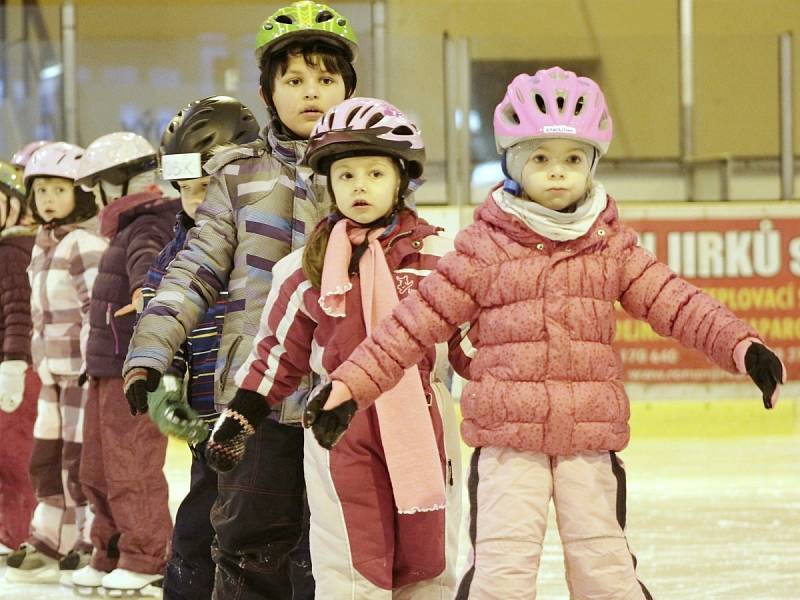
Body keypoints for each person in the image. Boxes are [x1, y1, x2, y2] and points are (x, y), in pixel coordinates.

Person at [308, 67, 788, 600]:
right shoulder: (481, 250)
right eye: (540, 158)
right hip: (508, 445)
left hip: (589, 441)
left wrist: (743, 348)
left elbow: (677, 303)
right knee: (502, 577)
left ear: (592, 165)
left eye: (573, 159)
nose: (557, 173)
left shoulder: (611, 248)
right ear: (513, 162)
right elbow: (411, 325)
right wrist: (349, 386)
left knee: (604, 574)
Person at [122, 2, 358, 597]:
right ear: (268, 91)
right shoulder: (239, 177)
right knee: (249, 549)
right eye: (295, 80)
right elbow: (193, 268)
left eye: (327, 79)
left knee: (338, 556)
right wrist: (150, 352)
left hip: (346, 401)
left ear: (349, 88)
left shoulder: (368, 172)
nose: (312, 92)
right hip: (256, 403)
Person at [205, 97, 469, 598]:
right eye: (346, 176)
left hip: (426, 426)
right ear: (328, 185)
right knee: (351, 566)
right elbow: (276, 356)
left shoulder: (439, 258)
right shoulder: (303, 271)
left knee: (428, 562)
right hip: (338, 433)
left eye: (374, 173)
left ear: (401, 181)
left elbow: (468, 343)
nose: (360, 186)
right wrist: (240, 416)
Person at [144, 95, 260, 600]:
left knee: (255, 538)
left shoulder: (265, 248)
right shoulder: (176, 254)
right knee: (195, 533)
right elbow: (161, 316)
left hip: (266, 422)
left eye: (208, 187)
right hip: (207, 425)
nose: (196, 202)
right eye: (186, 190)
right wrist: (167, 385)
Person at [69, 131, 179, 597]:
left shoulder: (149, 223)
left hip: (131, 369)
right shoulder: (127, 224)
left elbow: (149, 271)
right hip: (104, 366)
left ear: (116, 182)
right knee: (95, 468)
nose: (94, 198)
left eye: (96, 187)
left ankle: (148, 556)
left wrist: (145, 294)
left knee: (131, 466)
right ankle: (109, 549)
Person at [5, 142, 106, 584]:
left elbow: (94, 310)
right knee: (45, 457)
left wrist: (89, 359)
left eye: (58, 190)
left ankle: (87, 540)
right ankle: (50, 537)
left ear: (80, 194)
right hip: (50, 374)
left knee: (79, 460)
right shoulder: (41, 247)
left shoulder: (85, 244)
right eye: (41, 189)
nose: (47, 198)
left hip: (81, 372)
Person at [0, 160, 41, 561]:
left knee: (14, 458)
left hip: (17, 369)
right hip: (8, 367)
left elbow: (19, 311)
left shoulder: (13, 251)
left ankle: (18, 533)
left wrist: (13, 360)